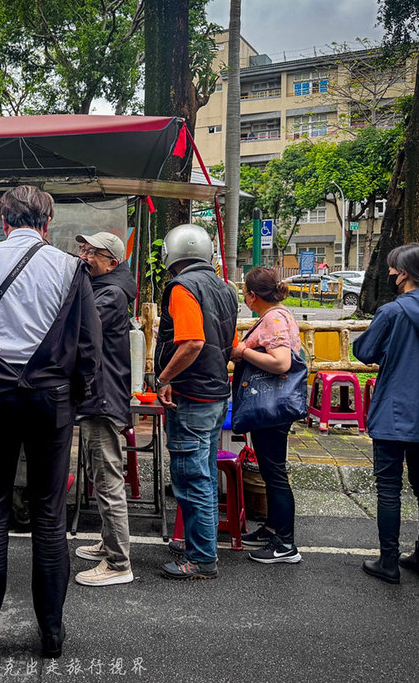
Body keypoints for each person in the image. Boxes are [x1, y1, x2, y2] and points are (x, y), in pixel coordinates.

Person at [0, 185, 100, 661]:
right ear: (47, 224)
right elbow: (87, 347)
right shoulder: (71, 268)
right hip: (51, 400)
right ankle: (52, 634)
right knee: (49, 516)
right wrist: (76, 398)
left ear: (3, 222)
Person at [351, 244, 419, 584]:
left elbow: (365, 351)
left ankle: (388, 560)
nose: (391, 275)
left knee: (388, 488)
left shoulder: (392, 312)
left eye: (393, 269)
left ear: (405, 273)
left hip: (391, 412)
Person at [154, 224, 238, 581]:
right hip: (216, 392)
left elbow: (191, 342)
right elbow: (230, 344)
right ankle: (197, 543)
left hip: (192, 395)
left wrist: (163, 378)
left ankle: (202, 558)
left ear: (171, 255)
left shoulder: (182, 287)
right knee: (200, 472)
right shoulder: (225, 289)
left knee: (193, 479)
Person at [72, 231, 137, 587]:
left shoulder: (109, 295)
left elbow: (79, 329)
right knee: (101, 475)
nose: (84, 256)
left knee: (108, 479)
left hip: (103, 396)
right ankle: (108, 543)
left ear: (112, 262)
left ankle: (118, 563)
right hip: (99, 395)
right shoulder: (105, 287)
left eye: (92, 252)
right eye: (82, 249)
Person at [231, 267, 304, 564]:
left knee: (274, 473)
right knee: (270, 469)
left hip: (272, 409)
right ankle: (273, 528)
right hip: (271, 408)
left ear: (251, 295)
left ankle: (285, 544)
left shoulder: (274, 318)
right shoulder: (277, 315)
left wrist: (243, 351)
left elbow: (281, 362)